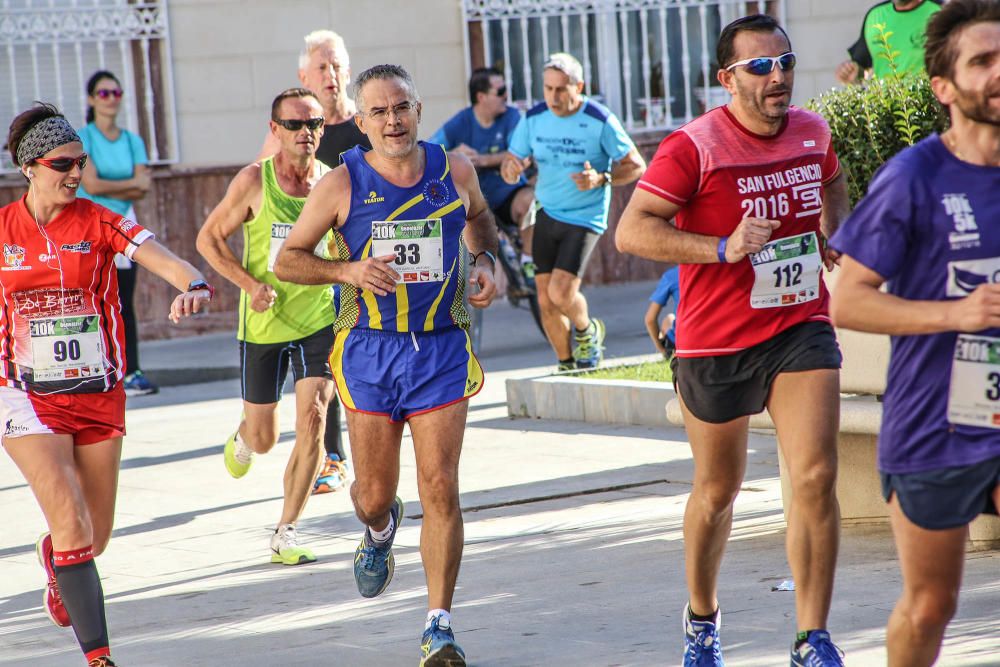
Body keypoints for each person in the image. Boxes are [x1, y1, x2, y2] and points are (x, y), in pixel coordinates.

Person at [616, 14, 851, 666]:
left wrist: (837, 227)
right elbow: (632, 234)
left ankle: (812, 635)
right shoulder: (694, 146)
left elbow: (831, 180)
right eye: (760, 67)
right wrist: (722, 246)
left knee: (815, 473)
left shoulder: (811, 130)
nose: (777, 77)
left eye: (785, 62)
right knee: (717, 491)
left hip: (799, 323)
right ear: (727, 79)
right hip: (715, 340)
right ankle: (701, 617)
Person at [273, 64, 497, 667]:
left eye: (401, 107)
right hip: (369, 349)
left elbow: (478, 219)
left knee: (441, 487)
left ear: (419, 109)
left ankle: (439, 625)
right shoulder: (342, 184)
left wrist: (486, 262)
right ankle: (378, 529)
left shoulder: (455, 170)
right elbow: (289, 261)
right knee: (373, 495)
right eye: (378, 111)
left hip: (442, 346)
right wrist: (347, 269)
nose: (392, 121)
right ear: (360, 121)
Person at [1, 103, 213, 667]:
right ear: (30, 167)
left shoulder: (99, 220)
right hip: (24, 395)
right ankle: (100, 659)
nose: (75, 173)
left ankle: (57, 562)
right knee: (70, 518)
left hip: (98, 392)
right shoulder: (2, 231)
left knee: (93, 537)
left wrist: (192, 283)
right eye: (63, 163)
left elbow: (162, 257)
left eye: (81, 161)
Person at [829, 2, 1000, 664]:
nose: (997, 72)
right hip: (937, 420)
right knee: (931, 604)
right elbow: (848, 302)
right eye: (981, 61)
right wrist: (955, 314)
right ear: (944, 87)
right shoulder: (914, 177)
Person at [197, 88, 337, 566]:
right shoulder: (255, 181)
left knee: (314, 417)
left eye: (315, 124)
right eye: (295, 125)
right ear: (274, 129)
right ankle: (243, 436)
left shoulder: (333, 184)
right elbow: (209, 238)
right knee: (265, 438)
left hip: (319, 317)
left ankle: (286, 529)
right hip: (264, 322)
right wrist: (248, 283)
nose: (306, 133)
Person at [259, 29, 370, 496]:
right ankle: (332, 455)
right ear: (304, 75)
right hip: (319, 266)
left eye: (338, 65)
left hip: (366, 257)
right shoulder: (293, 128)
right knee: (327, 359)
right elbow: (259, 192)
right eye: (322, 67)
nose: (332, 75)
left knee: (357, 355)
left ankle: (358, 447)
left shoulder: (366, 123)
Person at [500, 52, 646, 371]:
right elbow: (512, 160)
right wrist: (511, 170)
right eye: (548, 88)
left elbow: (636, 165)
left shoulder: (599, 119)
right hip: (547, 212)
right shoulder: (534, 117)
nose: (553, 96)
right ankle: (567, 363)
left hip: (585, 217)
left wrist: (603, 178)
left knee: (561, 292)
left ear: (579, 86)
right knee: (544, 299)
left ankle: (587, 329)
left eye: (561, 89)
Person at [76, 70, 158, 396]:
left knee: (123, 302)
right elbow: (91, 184)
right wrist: (129, 186)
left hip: (125, 226)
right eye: (104, 93)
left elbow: (145, 187)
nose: (111, 99)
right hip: (91, 226)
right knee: (91, 300)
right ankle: (93, 367)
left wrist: (119, 188)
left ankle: (131, 370)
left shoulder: (132, 140)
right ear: (92, 99)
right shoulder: (83, 137)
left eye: (116, 92)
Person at [429, 67, 536, 279]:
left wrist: (483, 160)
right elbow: (430, 149)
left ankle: (528, 260)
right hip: (473, 199)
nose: (506, 95)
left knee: (531, 202)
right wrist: (454, 154)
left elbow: (524, 153)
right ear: (481, 96)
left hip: (508, 194)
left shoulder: (513, 117)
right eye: (500, 90)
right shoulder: (461, 122)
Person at [835, 0, 942, 85]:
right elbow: (862, 69)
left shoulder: (941, 13)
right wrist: (851, 74)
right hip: (886, 109)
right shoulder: (875, 16)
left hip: (930, 108)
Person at [646, 266, 679, 358]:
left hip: (683, 342)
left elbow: (650, 319)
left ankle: (669, 352)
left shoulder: (673, 275)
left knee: (669, 319)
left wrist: (661, 350)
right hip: (717, 338)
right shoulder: (718, 270)